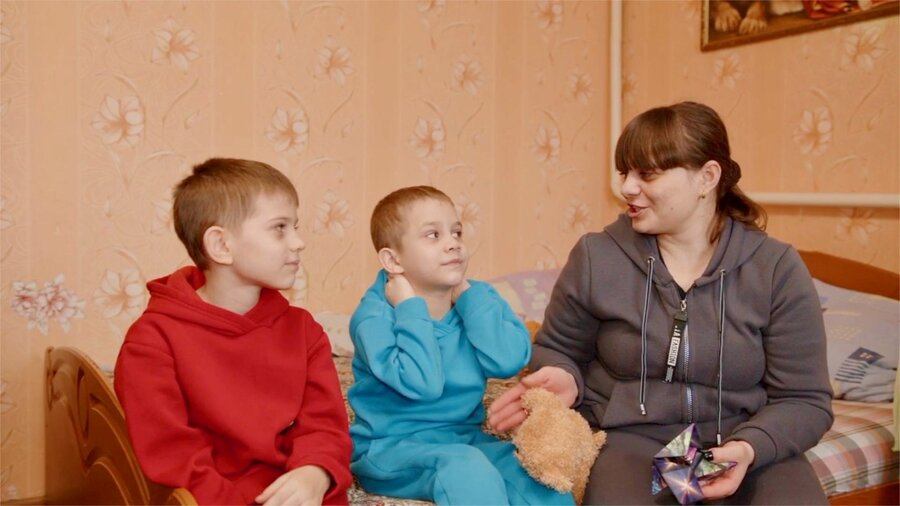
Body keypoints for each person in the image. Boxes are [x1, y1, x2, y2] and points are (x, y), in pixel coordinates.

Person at [489, 102, 834, 504]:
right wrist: (563, 375)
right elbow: (558, 349)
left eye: (647, 174)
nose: (627, 188)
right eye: (626, 173)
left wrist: (748, 448)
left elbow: (805, 399)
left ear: (707, 177)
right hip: (633, 440)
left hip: (742, 440)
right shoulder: (597, 257)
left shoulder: (775, 268)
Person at [114, 158, 352, 505]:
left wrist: (317, 471)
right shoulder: (152, 340)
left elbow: (325, 425)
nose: (298, 242)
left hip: (294, 489)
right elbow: (172, 455)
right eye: (280, 228)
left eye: (295, 227)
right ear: (221, 246)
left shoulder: (304, 331)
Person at [348, 186, 573, 505]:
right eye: (433, 235)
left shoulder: (476, 300)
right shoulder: (374, 317)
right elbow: (422, 384)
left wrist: (469, 296)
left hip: (464, 438)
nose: (452, 243)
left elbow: (508, 360)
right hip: (391, 449)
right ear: (393, 259)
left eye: (456, 232)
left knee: (537, 478)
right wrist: (411, 309)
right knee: (466, 470)